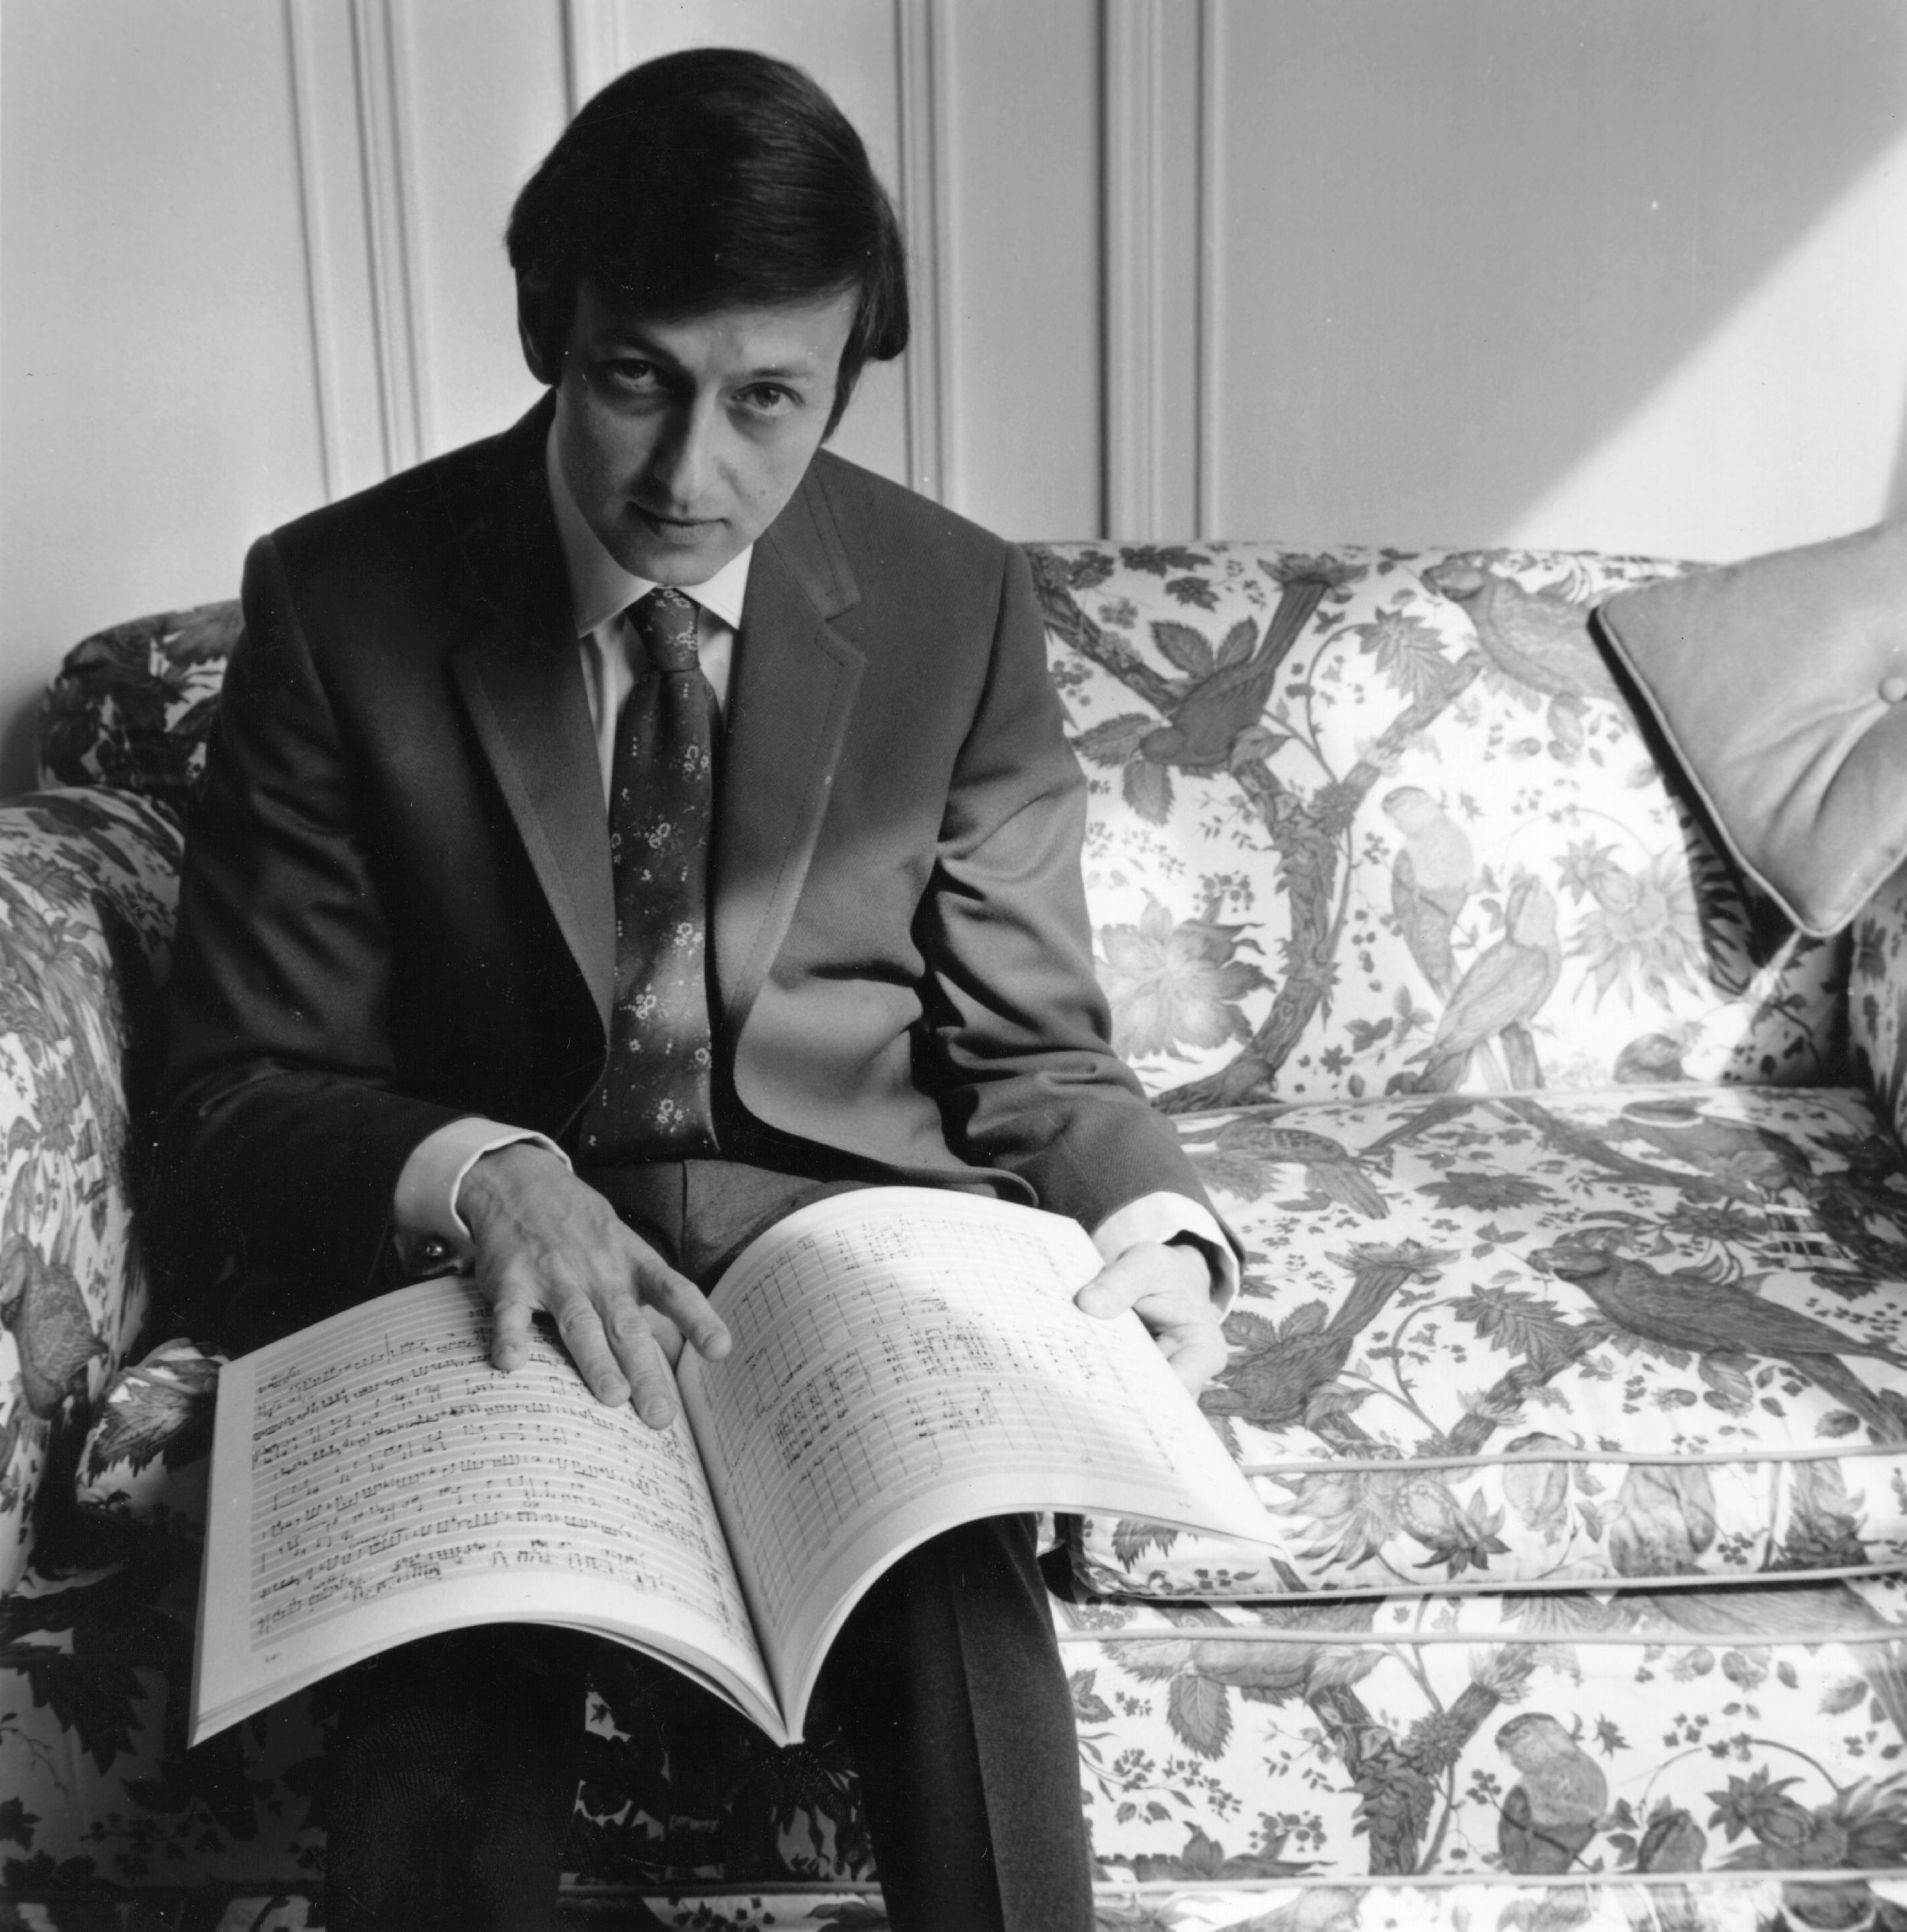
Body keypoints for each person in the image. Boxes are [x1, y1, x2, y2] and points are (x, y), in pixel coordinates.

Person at [158, 46, 1237, 1932]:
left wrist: (1153, 1239)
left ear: (841, 377)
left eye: (768, 402)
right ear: (543, 328)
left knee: (956, 1598)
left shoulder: (952, 603)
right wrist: (488, 1181)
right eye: (636, 380)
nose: (689, 473)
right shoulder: (342, 603)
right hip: (482, 1267)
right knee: (450, 1687)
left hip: (845, 1250)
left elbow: (1031, 1042)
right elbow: (247, 1082)